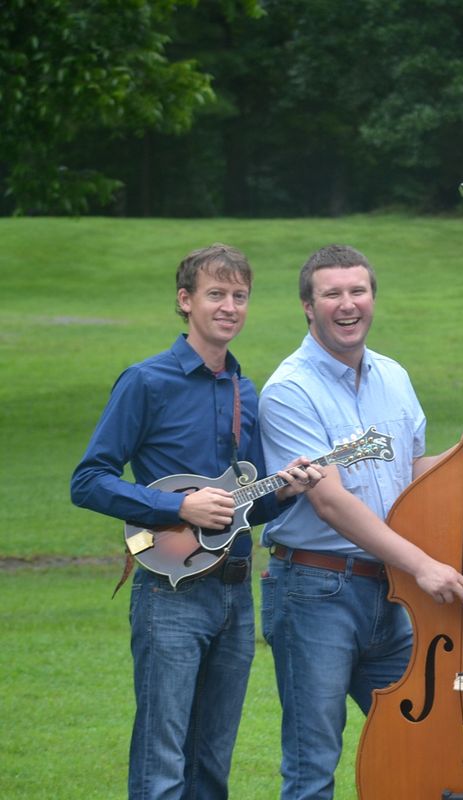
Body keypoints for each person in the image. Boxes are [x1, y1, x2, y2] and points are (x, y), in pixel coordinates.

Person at [70, 243, 323, 800]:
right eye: (216, 294)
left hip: (234, 595)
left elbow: (243, 510)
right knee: (162, 764)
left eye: (239, 296)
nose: (229, 306)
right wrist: (177, 507)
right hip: (169, 595)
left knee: (212, 764)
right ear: (186, 302)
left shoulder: (244, 390)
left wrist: (287, 490)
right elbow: (88, 480)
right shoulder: (145, 382)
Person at [257, 244, 463, 800]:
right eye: (331, 294)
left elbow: (413, 473)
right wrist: (424, 567)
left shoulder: (393, 376)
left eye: (357, 291)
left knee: (425, 741)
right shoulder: (289, 390)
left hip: (391, 593)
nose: (347, 304)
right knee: (314, 760)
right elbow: (330, 502)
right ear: (307, 308)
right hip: (316, 592)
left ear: (373, 298)